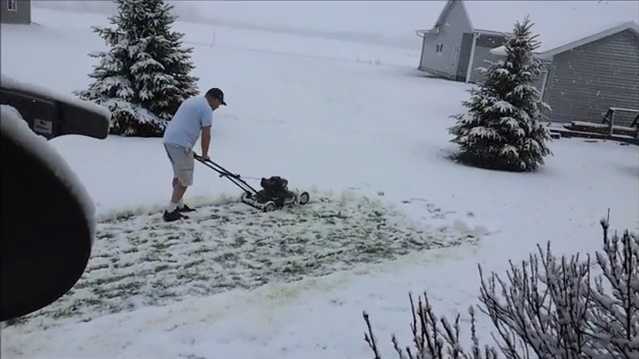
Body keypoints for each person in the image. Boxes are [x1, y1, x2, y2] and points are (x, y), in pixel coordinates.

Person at [162, 88, 227, 222]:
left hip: (170, 141)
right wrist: (204, 155)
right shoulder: (206, 108)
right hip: (180, 144)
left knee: (179, 176)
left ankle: (179, 205)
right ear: (214, 99)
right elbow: (206, 135)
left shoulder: (192, 101)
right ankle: (170, 211)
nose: (218, 107)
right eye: (219, 103)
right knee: (184, 180)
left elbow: (184, 123)